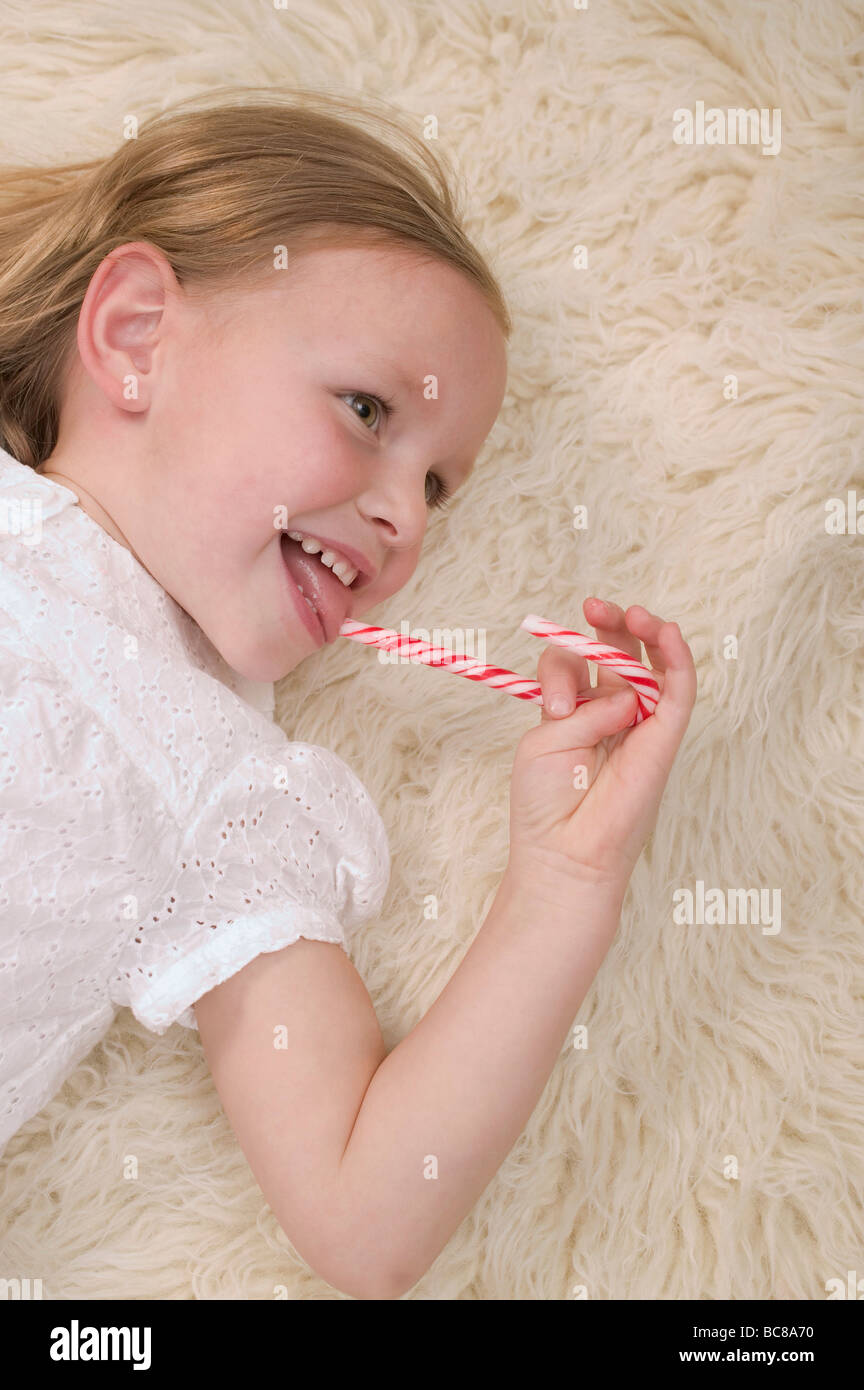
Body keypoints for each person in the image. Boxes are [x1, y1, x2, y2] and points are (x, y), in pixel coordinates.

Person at [0, 86, 697, 1298]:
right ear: (135, 336)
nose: (401, 517)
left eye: (439, 487)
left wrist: (567, 882)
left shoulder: (224, 787)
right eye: (368, 410)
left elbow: (365, 1213)